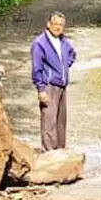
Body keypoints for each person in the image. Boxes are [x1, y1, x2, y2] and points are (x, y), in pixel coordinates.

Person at [31, 11, 76, 150]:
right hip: (49, 86)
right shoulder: (40, 43)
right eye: (56, 24)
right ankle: (49, 153)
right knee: (49, 122)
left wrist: (64, 67)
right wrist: (41, 89)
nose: (58, 27)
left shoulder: (64, 41)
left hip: (62, 85)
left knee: (61, 122)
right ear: (49, 24)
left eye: (61, 25)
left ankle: (61, 152)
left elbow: (72, 54)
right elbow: (37, 67)